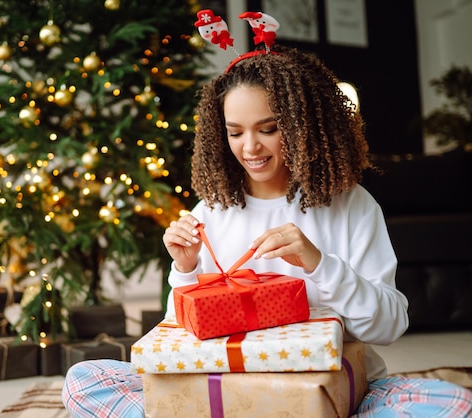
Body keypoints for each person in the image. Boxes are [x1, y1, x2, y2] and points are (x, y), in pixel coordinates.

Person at [62, 11, 472, 417]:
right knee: (84, 380)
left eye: (269, 128)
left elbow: (388, 327)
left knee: (454, 404)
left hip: (334, 385)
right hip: (230, 386)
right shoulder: (211, 211)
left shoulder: (352, 204)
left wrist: (318, 263)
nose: (250, 147)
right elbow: (181, 344)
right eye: (235, 132)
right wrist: (186, 270)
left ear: (301, 125)